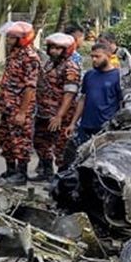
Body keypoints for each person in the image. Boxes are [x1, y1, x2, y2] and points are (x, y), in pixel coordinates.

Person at [0, 21, 40, 185]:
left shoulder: (30, 58)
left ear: (23, 39)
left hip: (20, 107)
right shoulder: (14, 54)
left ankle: (21, 174)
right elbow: (8, 77)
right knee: (6, 139)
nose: (8, 40)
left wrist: (22, 112)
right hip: (8, 105)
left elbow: (30, 88)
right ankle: (10, 170)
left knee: (20, 141)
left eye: (12, 37)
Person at [32, 32, 82, 181]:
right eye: (52, 47)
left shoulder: (70, 67)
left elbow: (69, 94)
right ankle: (46, 171)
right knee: (40, 142)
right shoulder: (49, 64)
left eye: (58, 48)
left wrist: (59, 116)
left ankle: (62, 177)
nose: (53, 51)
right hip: (44, 112)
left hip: (61, 115)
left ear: (66, 50)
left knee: (61, 147)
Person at [65, 43, 122, 165]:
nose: (94, 59)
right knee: (79, 159)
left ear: (108, 56)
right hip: (86, 126)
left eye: (97, 56)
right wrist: (73, 123)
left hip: (105, 128)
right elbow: (83, 99)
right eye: (92, 56)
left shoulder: (118, 77)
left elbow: (121, 103)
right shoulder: (89, 75)